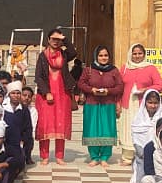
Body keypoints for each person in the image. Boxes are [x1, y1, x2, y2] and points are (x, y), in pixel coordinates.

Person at [34, 28, 78, 164]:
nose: (56, 41)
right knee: (45, 124)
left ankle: (59, 156)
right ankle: (45, 156)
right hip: (46, 94)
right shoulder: (42, 56)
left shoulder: (64, 54)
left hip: (62, 93)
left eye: (58, 39)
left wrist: (65, 39)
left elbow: (73, 52)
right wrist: (46, 92)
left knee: (61, 124)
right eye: (53, 39)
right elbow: (38, 77)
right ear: (48, 40)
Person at [78, 45, 124, 167]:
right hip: (92, 105)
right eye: (101, 55)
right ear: (96, 56)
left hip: (108, 105)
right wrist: (91, 90)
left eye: (106, 55)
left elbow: (120, 87)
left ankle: (104, 157)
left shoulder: (113, 70)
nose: (103, 58)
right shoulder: (88, 70)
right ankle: (94, 157)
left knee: (107, 130)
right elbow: (81, 83)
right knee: (92, 130)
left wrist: (108, 91)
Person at [121, 44, 162, 163]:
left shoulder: (150, 68)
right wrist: (118, 104)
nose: (137, 56)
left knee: (142, 129)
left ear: (144, 54)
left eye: (140, 53)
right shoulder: (125, 68)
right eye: (134, 53)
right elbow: (120, 87)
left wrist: (146, 90)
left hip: (143, 105)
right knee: (127, 128)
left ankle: (143, 154)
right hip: (128, 104)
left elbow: (159, 85)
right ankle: (127, 157)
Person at [129, 89, 162, 183]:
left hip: (158, 153)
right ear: (145, 102)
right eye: (150, 103)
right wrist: (144, 153)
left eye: (155, 103)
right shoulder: (138, 119)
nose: (153, 106)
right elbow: (136, 138)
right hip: (141, 153)